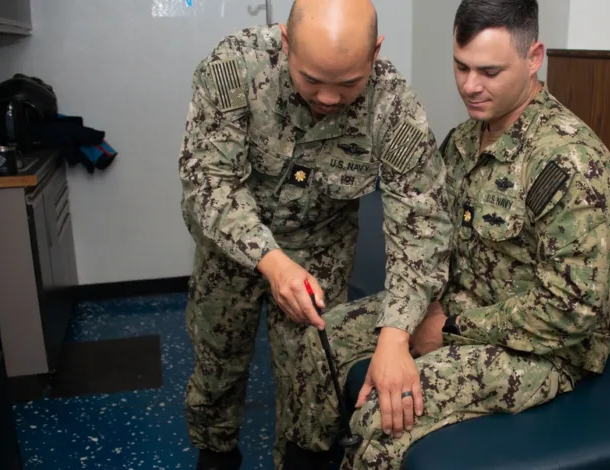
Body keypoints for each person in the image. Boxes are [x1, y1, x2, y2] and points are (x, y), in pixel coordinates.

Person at [281, 0, 610, 468]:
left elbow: (574, 311)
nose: (469, 85)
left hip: (540, 350)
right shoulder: (464, 141)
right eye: (460, 66)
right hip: (458, 310)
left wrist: (450, 328)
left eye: (489, 71)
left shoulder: (569, 163)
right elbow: (435, 242)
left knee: (383, 420)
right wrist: (426, 312)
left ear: (534, 57)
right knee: (317, 342)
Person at [177, 0, 453, 468]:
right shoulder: (235, 69)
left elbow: (422, 228)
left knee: (311, 372)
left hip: (320, 246)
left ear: (375, 53)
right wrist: (272, 260)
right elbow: (208, 183)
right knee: (217, 362)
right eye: (310, 80)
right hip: (231, 244)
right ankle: (215, 453)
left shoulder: (392, 106)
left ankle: (300, 458)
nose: (328, 98)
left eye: (348, 83)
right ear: (286, 43)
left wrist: (394, 333)